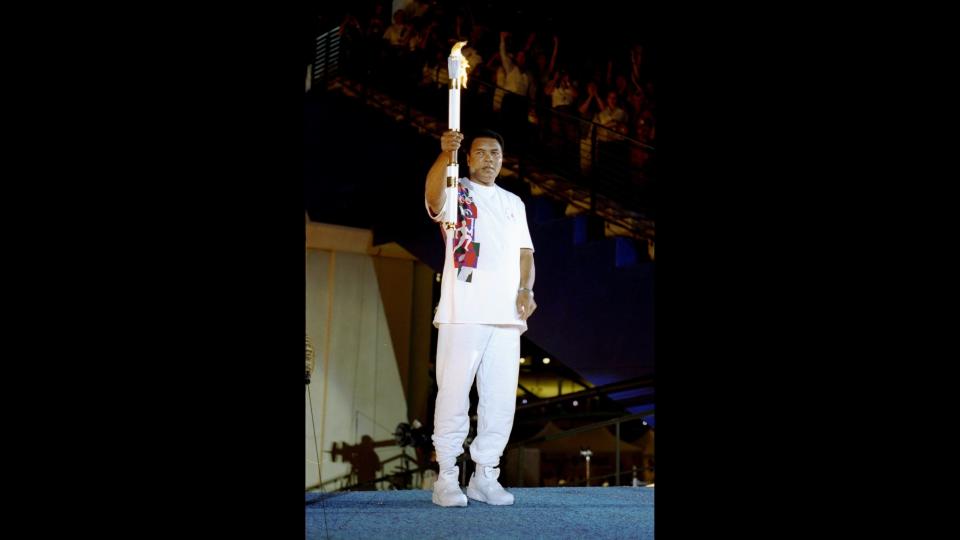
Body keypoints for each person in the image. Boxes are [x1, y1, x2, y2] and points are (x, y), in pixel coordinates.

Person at [423, 129, 537, 507]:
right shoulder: (459, 192)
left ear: (503, 159)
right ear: (469, 159)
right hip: (464, 311)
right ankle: (448, 479)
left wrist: (526, 290)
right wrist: (444, 156)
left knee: (500, 400)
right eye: (481, 152)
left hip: (506, 316)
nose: (489, 158)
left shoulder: (513, 202)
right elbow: (433, 197)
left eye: (496, 152)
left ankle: (486, 476)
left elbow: (525, 255)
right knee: (454, 395)